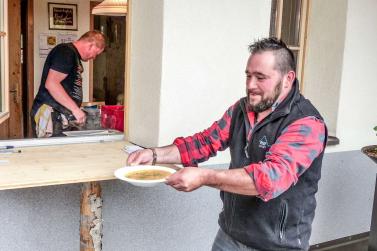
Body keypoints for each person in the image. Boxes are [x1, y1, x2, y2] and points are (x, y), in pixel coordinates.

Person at [127, 37, 327, 251]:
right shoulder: (241, 109)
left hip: (277, 244)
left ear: (287, 78)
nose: (251, 85)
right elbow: (204, 142)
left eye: (260, 77)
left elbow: (269, 178)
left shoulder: (306, 123)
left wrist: (205, 177)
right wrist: (154, 154)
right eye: (248, 76)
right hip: (230, 233)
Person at [31, 30, 106, 137]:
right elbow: (51, 84)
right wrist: (75, 109)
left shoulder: (73, 55)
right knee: (54, 152)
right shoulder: (66, 52)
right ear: (91, 45)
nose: (94, 57)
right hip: (52, 115)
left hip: (58, 115)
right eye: (96, 53)